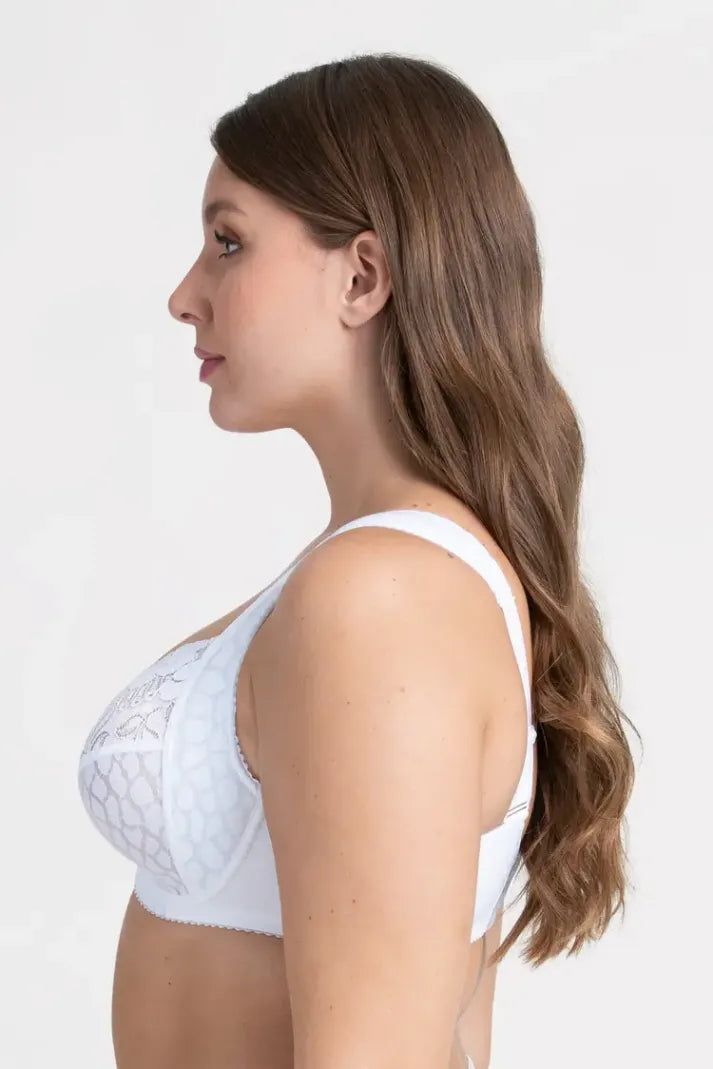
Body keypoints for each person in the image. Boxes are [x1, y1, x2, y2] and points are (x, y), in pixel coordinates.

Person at [78, 52, 639, 1069]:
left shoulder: (381, 597)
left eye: (227, 242)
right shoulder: (405, 576)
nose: (184, 295)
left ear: (362, 276)